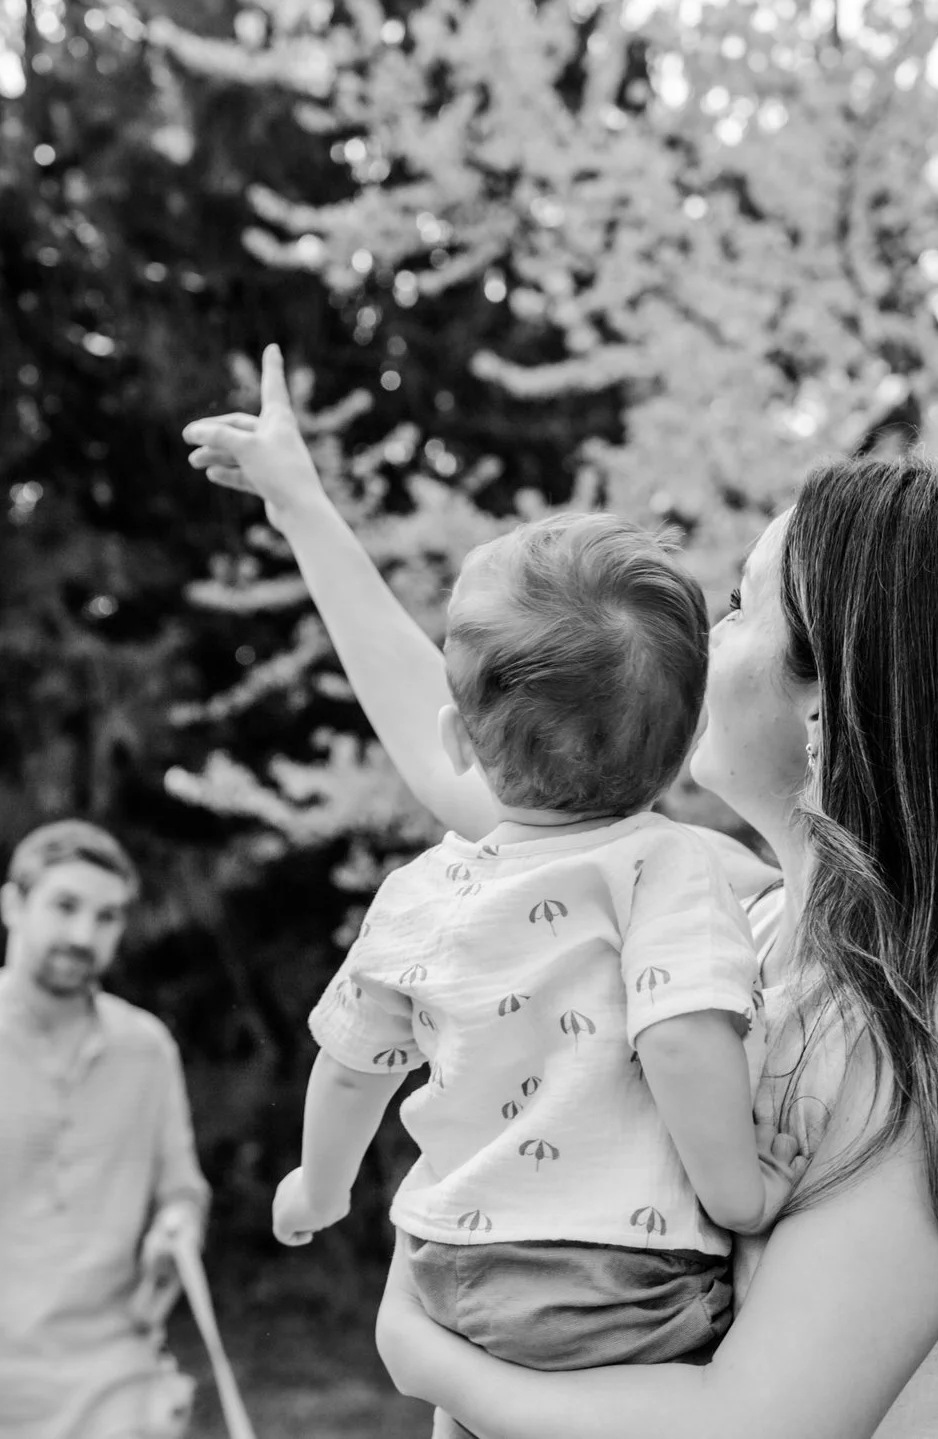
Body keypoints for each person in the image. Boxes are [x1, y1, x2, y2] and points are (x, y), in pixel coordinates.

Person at [183, 348, 938, 1439]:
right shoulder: (729, 917)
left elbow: (753, 1425)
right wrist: (303, 508)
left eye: (741, 607)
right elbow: (472, 749)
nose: (703, 639)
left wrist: (425, 1354)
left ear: (825, 708)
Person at [272, 512, 786, 1439]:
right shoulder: (670, 866)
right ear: (680, 751)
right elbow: (680, 1038)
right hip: (617, 1276)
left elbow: (351, 1067)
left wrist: (318, 1185)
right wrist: (737, 1192)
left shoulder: (420, 889)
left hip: (451, 1269)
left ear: (458, 741)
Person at [0, 820, 211, 1439]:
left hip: (116, 1395)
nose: (83, 935)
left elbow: (181, 1189)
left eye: (106, 917)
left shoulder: (148, 1049)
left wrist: (176, 1226)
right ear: (13, 905)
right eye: (65, 906)